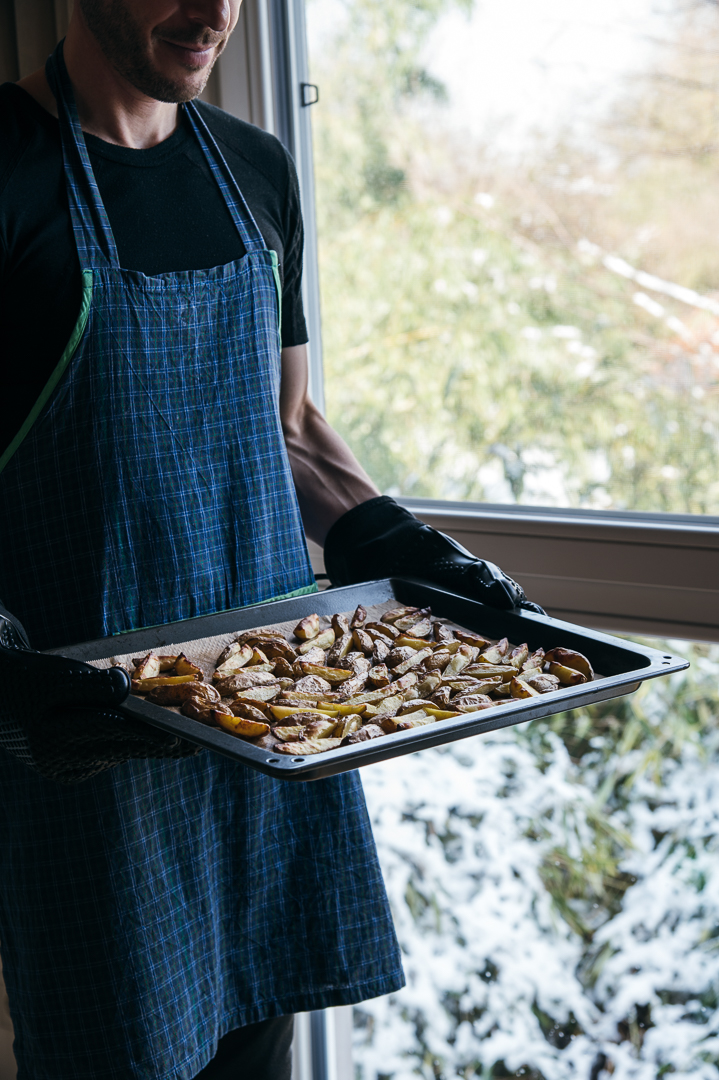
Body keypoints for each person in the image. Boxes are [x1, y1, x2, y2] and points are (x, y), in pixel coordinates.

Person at [0, 2, 540, 1076]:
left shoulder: (252, 168)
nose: (212, 14)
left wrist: (404, 545)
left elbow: (284, 427)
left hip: (269, 751)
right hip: (93, 772)